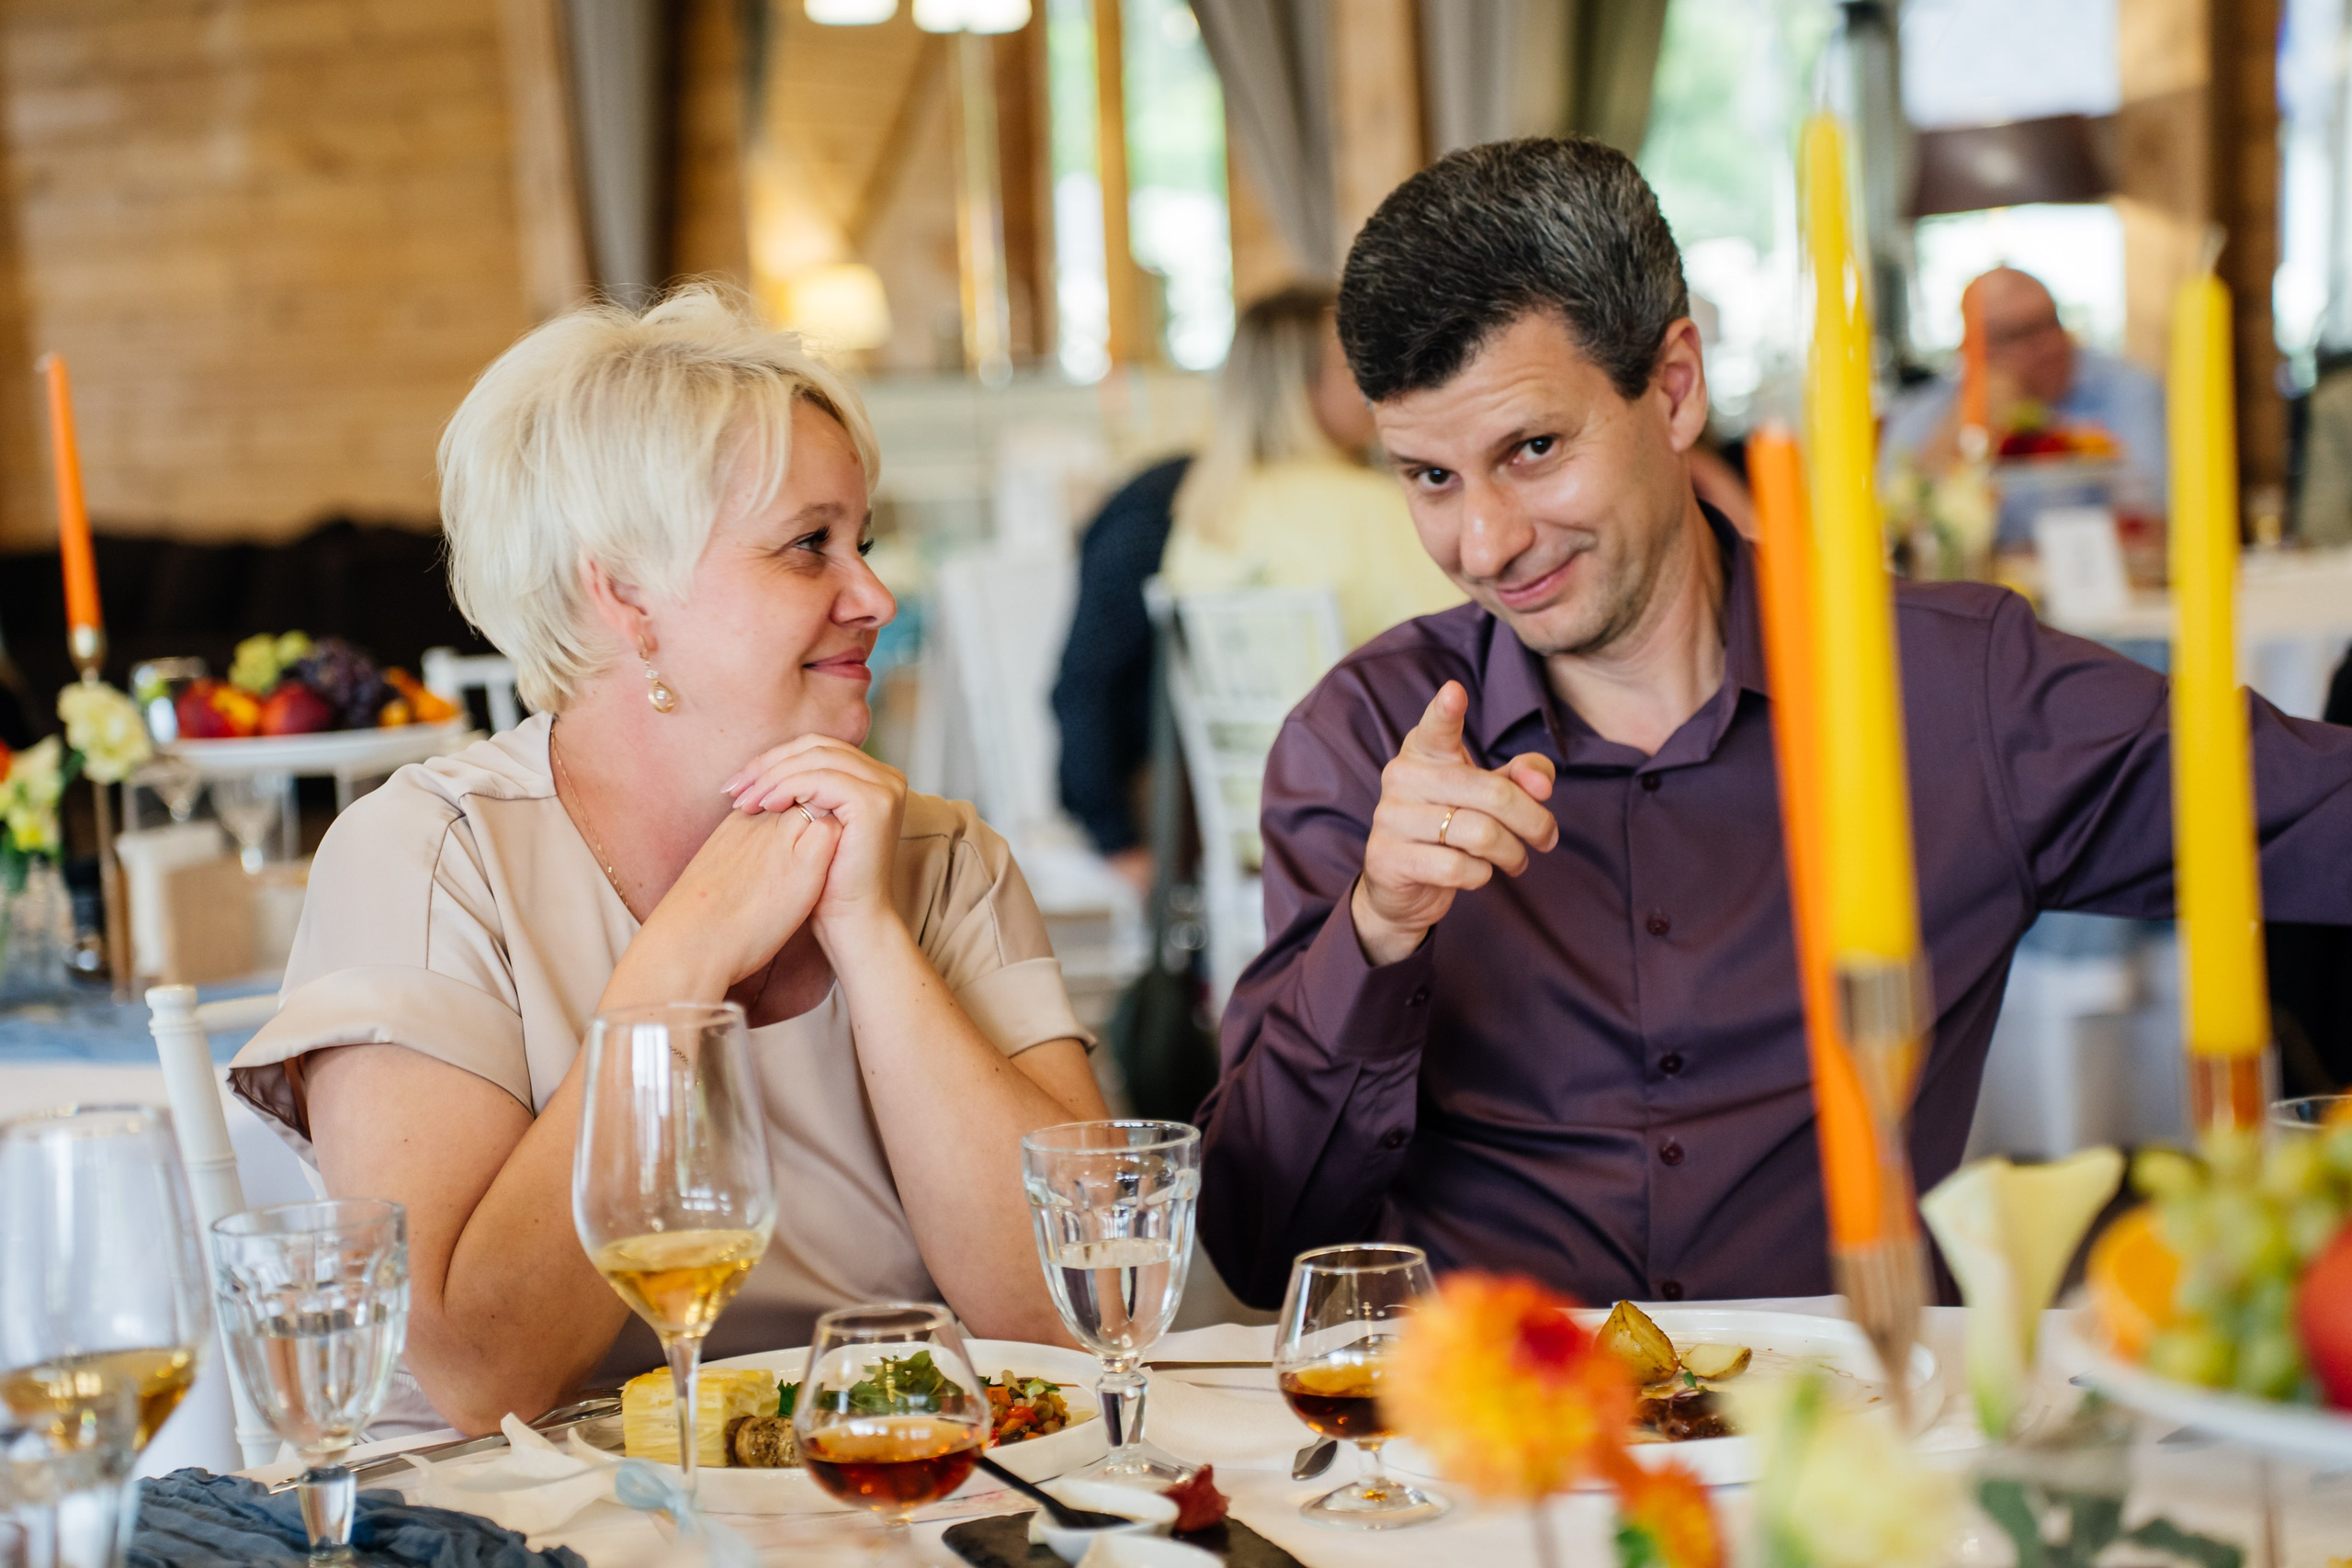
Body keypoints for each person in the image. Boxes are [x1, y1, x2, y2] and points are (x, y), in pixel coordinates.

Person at [1193, 139, 2352, 1310]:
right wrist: (1377, 931)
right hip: (1489, 1454)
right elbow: (1254, 1242)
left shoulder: (1953, 695)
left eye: (1531, 451)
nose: (1483, 545)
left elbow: (2325, 816)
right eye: (1430, 479)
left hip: (1854, 1448)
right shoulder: (1362, 743)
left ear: (1676, 386)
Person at [230, 287, 1108, 1435]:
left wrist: (871, 938)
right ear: (625, 595)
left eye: (864, 541)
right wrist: (687, 953)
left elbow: (1081, 1320)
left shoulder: (940, 858)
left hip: (892, 1497)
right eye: (809, 547)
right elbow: (483, 1373)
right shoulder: (434, 858)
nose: (874, 596)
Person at [1051, 284, 1461, 892]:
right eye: (1354, 364)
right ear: (1304, 386)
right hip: (1376, 817)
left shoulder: (1201, 515)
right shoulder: (1379, 509)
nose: (1376, 380)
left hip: (1242, 828)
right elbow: (1472, 654)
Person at [1880, 265, 2167, 542]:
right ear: (1971, 348)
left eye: (2050, 322)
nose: (2047, 345)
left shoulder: (2130, 390)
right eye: (2017, 334)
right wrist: (1969, 420)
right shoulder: (1926, 408)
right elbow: (1894, 518)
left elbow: (2153, 512)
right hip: (1980, 589)